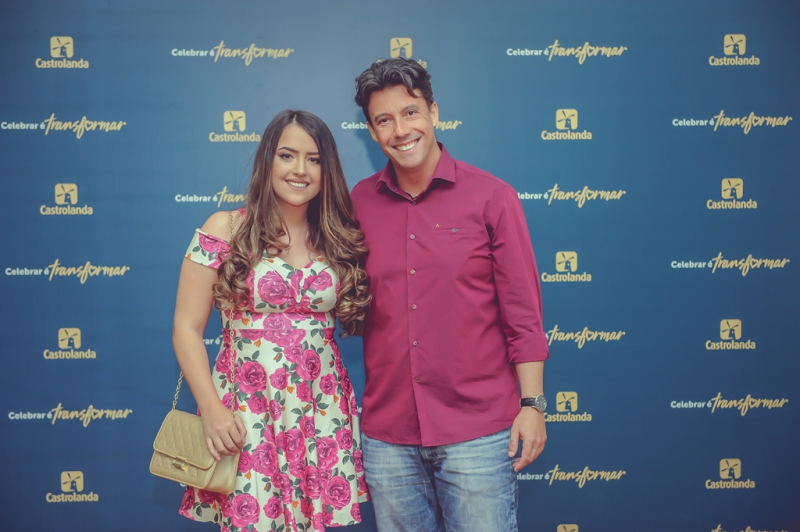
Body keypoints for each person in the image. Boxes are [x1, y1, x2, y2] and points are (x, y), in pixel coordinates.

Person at [350, 58, 550, 532]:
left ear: (434, 112)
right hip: (389, 436)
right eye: (384, 120)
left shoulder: (492, 197)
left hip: (478, 433)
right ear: (372, 132)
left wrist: (533, 405)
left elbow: (523, 315)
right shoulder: (357, 203)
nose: (401, 130)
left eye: (411, 112)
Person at [172, 110, 370, 531]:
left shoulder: (338, 236)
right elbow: (186, 328)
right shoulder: (225, 227)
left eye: (314, 159)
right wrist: (212, 408)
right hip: (246, 408)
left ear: (327, 170)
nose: (300, 170)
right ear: (267, 160)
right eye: (287, 155)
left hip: (321, 406)